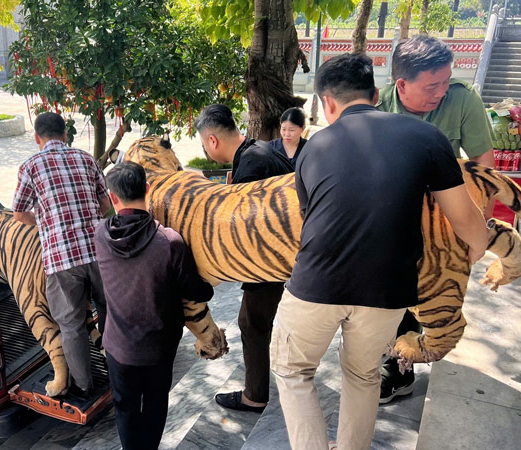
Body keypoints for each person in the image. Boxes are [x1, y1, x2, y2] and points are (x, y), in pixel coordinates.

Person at [270, 53, 488, 450]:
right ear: (375, 94)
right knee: (364, 375)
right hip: (388, 293)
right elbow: (467, 220)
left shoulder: (313, 148)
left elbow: (314, 222)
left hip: (315, 285)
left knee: (292, 371)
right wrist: (476, 249)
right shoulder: (427, 139)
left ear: (327, 103)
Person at [376, 35, 495, 403]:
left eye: (446, 81)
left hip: (441, 226)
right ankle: (394, 363)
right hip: (391, 220)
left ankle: (401, 367)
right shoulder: (379, 103)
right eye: (432, 85)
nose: (441, 92)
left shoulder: (462, 99)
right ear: (402, 85)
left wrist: (479, 236)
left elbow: (484, 171)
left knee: (425, 294)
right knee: (389, 295)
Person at [94, 161, 214, 450]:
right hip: (158, 348)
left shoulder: (100, 234)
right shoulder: (170, 242)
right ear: (147, 189)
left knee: (125, 408)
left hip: (117, 346)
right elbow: (196, 291)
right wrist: (209, 284)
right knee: (156, 404)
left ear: (112, 198)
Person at [194, 104, 295, 413]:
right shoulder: (258, 150)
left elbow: (244, 234)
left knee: (251, 323)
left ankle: (255, 396)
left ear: (212, 141)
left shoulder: (251, 167)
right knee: (260, 322)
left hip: (271, 261)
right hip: (287, 254)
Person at [12, 111, 111, 397]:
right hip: (99, 251)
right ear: (65, 135)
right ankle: (117, 367)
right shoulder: (86, 159)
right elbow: (105, 205)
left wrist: (45, 223)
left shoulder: (30, 166)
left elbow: (19, 213)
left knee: (71, 325)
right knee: (109, 311)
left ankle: (84, 385)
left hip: (62, 259)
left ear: (37, 138)